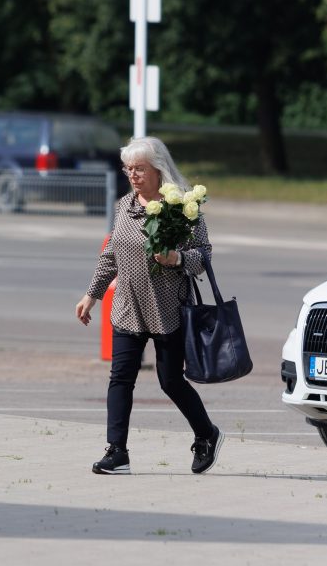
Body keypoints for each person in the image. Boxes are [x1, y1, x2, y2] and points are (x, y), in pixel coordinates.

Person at [75, 136, 222, 475]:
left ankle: (207, 434)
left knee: (170, 381)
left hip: (168, 309)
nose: (133, 175)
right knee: (120, 377)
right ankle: (117, 452)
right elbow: (110, 254)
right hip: (127, 306)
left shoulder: (184, 209)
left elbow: (204, 257)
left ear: (158, 170)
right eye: (128, 169)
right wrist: (91, 295)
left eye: (139, 169)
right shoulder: (124, 206)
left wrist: (177, 259)